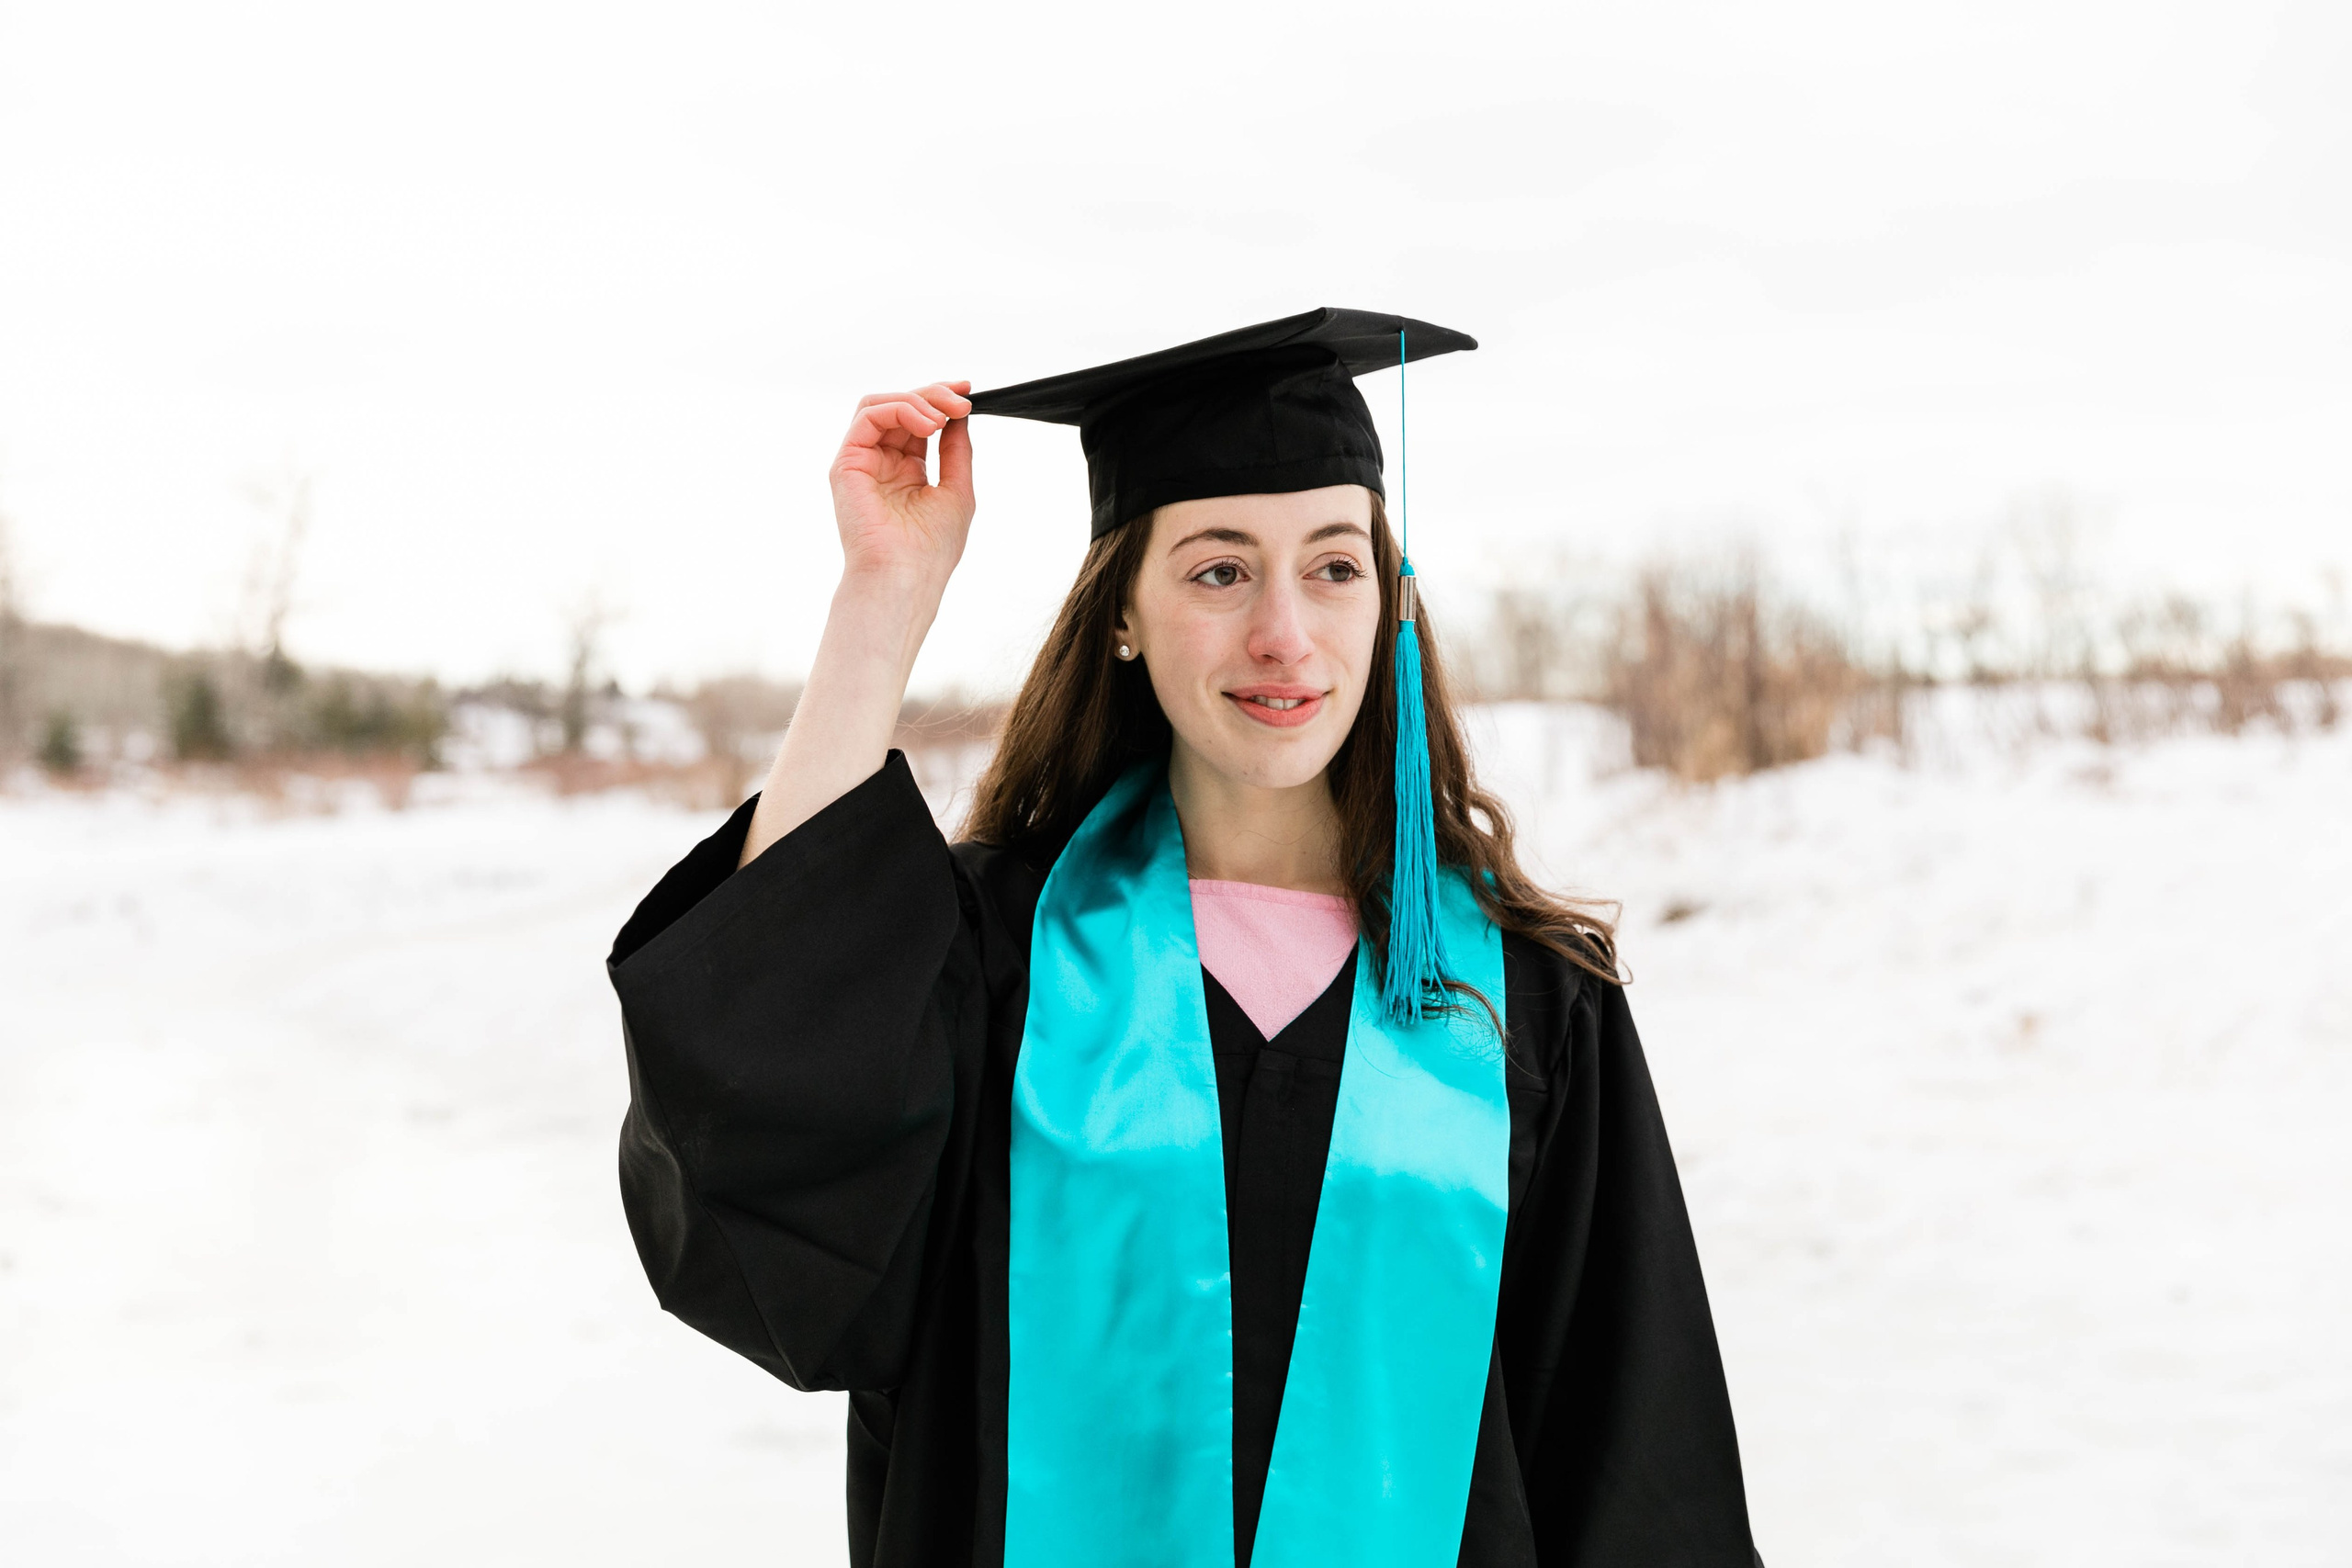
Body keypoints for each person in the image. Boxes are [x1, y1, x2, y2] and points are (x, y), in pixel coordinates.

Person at [607, 309, 1762, 1568]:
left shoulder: (1527, 1004)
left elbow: (1639, 1468)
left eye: (1334, 566)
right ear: (1123, 615)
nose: (1286, 633)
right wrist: (882, 602)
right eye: (1219, 570)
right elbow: (759, 1139)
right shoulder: (992, 960)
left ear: (1390, 605)